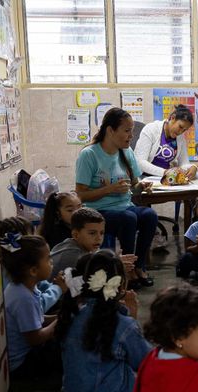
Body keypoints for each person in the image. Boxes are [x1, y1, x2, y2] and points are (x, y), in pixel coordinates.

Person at [56, 250, 152, 392]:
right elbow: (145, 362)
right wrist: (133, 318)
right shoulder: (123, 325)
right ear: (121, 284)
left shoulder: (72, 314)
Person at [75, 107, 158, 288]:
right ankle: (126, 270)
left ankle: (139, 266)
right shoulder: (89, 154)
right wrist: (109, 189)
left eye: (132, 131)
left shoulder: (127, 152)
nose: (131, 136)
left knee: (149, 216)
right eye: (127, 131)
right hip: (98, 210)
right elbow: (80, 195)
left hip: (124, 206)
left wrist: (141, 186)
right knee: (129, 218)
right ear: (110, 131)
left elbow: (134, 185)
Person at [1, 234, 67, 384]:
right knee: (67, 345)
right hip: (23, 364)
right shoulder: (22, 298)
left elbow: (39, 319)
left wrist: (61, 316)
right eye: (48, 259)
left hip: (31, 350)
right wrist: (60, 321)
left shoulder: (25, 287)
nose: (51, 263)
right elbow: (35, 339)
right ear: (33, 270)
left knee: (63, 319)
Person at [50, 207, 137, 281]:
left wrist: (115, 261)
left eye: (102, 233)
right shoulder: (72, 255)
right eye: (92, 233)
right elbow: (92, 282)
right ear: (76, 235)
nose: (99, 238)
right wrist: (115, 267)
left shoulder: (86, 246)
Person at [0, 216, 63, 313]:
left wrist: (57, 288)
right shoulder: (10, 272)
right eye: (30, 237)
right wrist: (57, 289)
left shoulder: (26, 264)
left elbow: (42, 285)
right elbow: (37, 307)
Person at [134, 104, 197, 178]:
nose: (180, 132)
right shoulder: (151, 129)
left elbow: (184, 163)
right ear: (172, 118)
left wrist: (193, 167)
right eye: (180, 127)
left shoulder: (180, 138)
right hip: (145, 177)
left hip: (166, 177)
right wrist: (165, 172)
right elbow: (140, 162)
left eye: (184, 130)